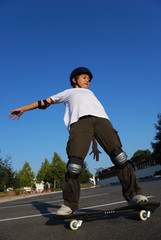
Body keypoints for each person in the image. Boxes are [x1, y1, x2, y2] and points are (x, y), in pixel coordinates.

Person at [9, 67, 148, 215]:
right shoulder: (68, 92)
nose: (87, 80)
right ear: (74, 80)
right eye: (84, 77)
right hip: (79, 123)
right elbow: (44, 102)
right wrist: (23, 109)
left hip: (102, 122)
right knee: (74, 166)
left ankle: (134, 196)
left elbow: (94, 120)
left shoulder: (91, 93)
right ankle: (69, 205)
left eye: (89, 79)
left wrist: (95, 144)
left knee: (120, 157)